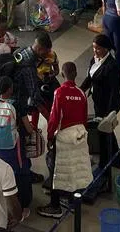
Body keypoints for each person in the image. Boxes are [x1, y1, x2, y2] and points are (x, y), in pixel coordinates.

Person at [38, 62, 91, 218]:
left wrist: (49, 137)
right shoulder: (81, 93)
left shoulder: (59, 92)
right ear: (75, 74)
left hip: (63, 138)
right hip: (79, 136)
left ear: (62, 74)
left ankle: (55, 207)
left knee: (57, 171)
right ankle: (72, 202)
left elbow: (54, 119)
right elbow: (84, 118)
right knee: (73, 169)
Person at [0, 77, 35, 213]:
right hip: (13, 149)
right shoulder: (17, 105)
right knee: (20, 172)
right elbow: (28, 129)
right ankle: (23, 203)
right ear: (9, 89)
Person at [81, 34, 120, 189]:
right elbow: (90, 78)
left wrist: (108, 114)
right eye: (93, 47)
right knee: (107, 132)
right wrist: (79, 91)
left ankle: (105, 164)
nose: (95, 50)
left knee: (104, 132)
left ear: (106, 48)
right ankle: (116, 158)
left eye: (98, 48)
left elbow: (114, 90)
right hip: (98, 101)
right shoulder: (95, 60)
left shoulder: (112, 67)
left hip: (107, 105)